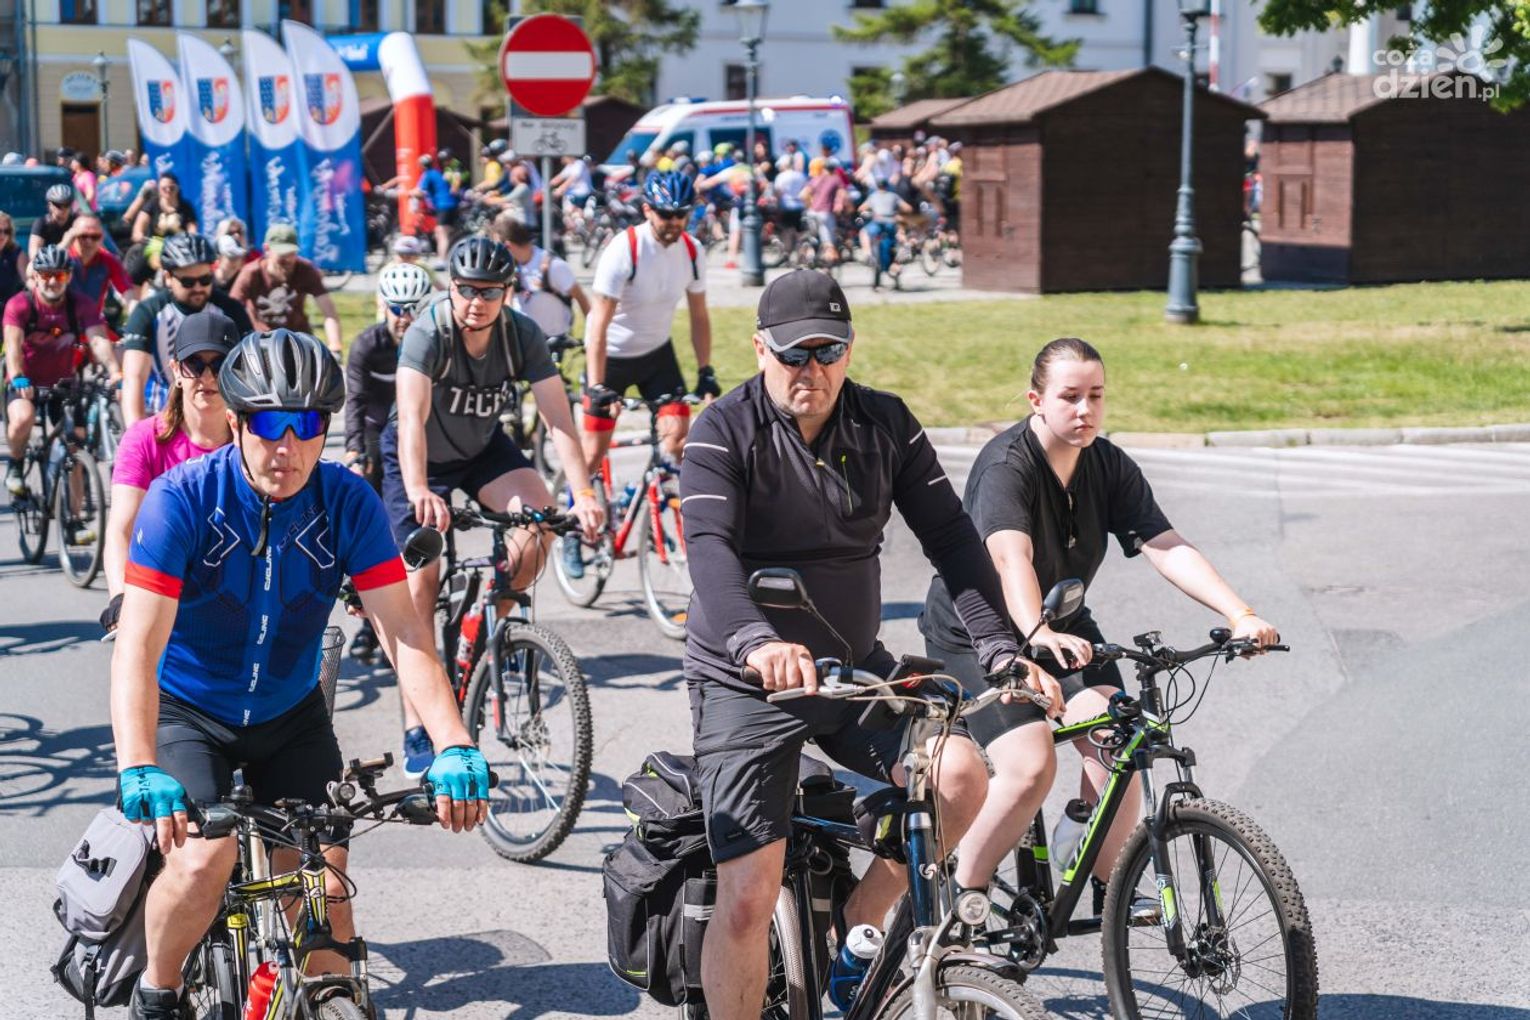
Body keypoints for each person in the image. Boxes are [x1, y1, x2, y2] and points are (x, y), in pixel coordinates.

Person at [679, 270, 1059, 1020]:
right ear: (760, 349)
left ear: (849, 350)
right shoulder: (722, 430)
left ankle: (859, 916)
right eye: (794, 353)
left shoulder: (884, 424)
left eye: (829, 351)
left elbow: (952, 539)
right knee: (748, 895)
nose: (812, 369)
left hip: (855, 671)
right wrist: (757, 641)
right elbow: (709, 552)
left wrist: (1000, 648)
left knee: (959, 776)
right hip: (747, 682)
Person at [110, 328, 491, 1020]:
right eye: (268, 425)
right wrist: (138, 764)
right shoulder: (181, 498)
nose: (287, 447)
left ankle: (323, 998)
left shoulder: (348, 502)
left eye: (307, 425)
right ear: (235, 420)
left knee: (324, 896)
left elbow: (404, 632)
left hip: (290, 716)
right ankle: (158, 992)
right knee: (203, 861)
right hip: (189, 713)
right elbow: (137, 647)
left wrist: (453, 742)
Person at [920, 337, 1279, 901]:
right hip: (978, 634)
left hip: (1062, 624)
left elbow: (1164, 544)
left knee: (1121, 736)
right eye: (1069, 397)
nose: (1085, 409)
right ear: (1036, 400)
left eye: (1096, 395)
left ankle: (1110, 887)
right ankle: (965, 896)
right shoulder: (1006, 466)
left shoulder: (1106, 464)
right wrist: (1037, 633)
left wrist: (1240, 613)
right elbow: (1010, 557)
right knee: (1030, 763)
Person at [381, 236, 604, 776]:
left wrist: (584, 494)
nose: (475, 302)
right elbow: (410, 418)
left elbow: (558, 418)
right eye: (465, 290)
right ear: (450, 287)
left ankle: (490, 635)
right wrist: (419, 489)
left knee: (539, 525)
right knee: (419, 586)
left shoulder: (521, 334)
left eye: (489, 292)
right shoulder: (429, 332)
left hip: (481, 449)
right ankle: (417, 721)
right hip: (419, 459)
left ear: (508, 292)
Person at [575, 170, 716, 578]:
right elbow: (597, 326)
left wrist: (705, 369)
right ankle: (571, 529)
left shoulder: (692, 251)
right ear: (647, 210)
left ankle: (657, 502)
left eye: (681, 214)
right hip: (612, 356)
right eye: (666, 214)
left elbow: (699, 316)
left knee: (677, 440)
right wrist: (597, 385)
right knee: (591, 454)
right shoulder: (625, 250)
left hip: (657, 355)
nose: (674, 222)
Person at [99, 310, 238, 634]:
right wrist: (120, 596)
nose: (207, 377)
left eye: (219, 365)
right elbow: (121, 529)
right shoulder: (143, 439)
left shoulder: (254, 440)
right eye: (195, 364)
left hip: (235, 602)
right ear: (176, 370)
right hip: (161, 596)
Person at [344, 262, 434, 664]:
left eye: (413, 309)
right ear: (382, 305)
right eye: (397, 308)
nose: (404, 318)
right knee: (374, 522)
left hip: (416, 433)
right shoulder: (368, 345)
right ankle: (369, 621)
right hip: (375, 434)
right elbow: (355, 402)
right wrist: (353, 452)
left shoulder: (431, 344)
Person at [4, 245, 120, 495]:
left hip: (64, 384)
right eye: (46, 275)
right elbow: (12, 346)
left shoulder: (80, 304)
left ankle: (74, 515)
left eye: (60, 275)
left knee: (75, 443)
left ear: (69, 276)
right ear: (35, 276)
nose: (53, 281)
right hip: (26, 382)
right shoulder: (20, 305)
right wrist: (18, 377)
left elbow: (98, 340)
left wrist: (114, 371)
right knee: (22, 419)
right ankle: (15, 464)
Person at [120, 233, 253, 426]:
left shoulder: (231, 310)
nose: (198, 288)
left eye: (205, 280)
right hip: (161, 413)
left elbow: (250, 369)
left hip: (216, 415)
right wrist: (134, 431)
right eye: (188, 282)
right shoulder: (147, 313)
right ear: (168, 277)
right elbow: (134, 378)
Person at [230, 224, 344, 358]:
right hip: (261, 343)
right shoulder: (251, 273)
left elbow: (329, 312)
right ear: (267, 249)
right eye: (282, 254)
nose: (288, 259)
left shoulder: (305, 270)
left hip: (298, 341)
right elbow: (231, 311)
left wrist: (335, 347)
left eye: (291, 253)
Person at [496, 216, 588, 340]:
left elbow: (582, 299)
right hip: (525, 339)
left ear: (508, 246)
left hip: (554, 340)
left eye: (498, 248)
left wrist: (591, 335)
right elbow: (507, 305)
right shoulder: (512, 267)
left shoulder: (553, 266)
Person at [67, 212, 133, 315]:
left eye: (95, 237)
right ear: (72, 236)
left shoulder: (109, 260)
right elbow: (41, 273)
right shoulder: (62, 258)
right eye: (83, 236)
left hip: (91, 320)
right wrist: (65, 243)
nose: (89, 241)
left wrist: (137, 312)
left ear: (102, 238)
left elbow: (127, 293)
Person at [858, 176, 912, 289]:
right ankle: (904, 253)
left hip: (877, 222)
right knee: (898, 239)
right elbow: (908, 208)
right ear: (887, 186)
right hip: (891, 222)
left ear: (877, 186)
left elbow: (861, 208)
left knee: (864, 232)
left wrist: (870, 212)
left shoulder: (873, 196)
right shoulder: (894, 196)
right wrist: (898, 212)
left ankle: (867, 253)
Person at [413, 154, 460, 264]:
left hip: (443, 205)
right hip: (451, 204)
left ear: (422, 166)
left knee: (442, 233)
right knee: (443, 232)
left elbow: (420, 192)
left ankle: (442, 260)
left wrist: (408, 194)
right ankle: (448, 256)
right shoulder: (437, 172)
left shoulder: (428, 174)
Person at [131, 171, 198, 243]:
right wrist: (140, 237)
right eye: (164, 188)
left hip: (180, 245)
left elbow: (192, 229)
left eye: (172, 188)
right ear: (159, 189)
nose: (168, 190)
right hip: (155, 244)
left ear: (178, 188)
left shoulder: (186, 206)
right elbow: (138, 229)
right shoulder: (152, 204)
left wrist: (191, 238)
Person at [804, 157, 846, 266]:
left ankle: (810, 257)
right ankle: (828, 266)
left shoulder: (816, 178)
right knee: (828, 241)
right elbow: (842, 194)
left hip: (812, 213)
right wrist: (841, 205)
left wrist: (810, 205)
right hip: (825, 213)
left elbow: (803, 194)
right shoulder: (836, 179)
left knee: (813, 238)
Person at [29, 183, 79, 257]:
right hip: (49, 264)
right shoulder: (42, 224)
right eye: (58, 205)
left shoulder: (78, 222)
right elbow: (34, 257)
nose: (63, 209)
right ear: (50, 205)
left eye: (67, 204)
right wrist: (64, 244)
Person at [0, 211, 29, 309]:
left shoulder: (17, 253)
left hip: (10, 310)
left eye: (6, 231)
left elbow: (28, 281)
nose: (2, 236)